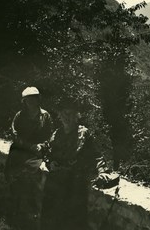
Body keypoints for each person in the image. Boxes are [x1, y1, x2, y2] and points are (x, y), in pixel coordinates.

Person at [41, 98, 109, 230]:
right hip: (55, 184)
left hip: (74, 185)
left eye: (70, 114)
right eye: (63, 114)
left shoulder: (83, 134)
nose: (67, 118)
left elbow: (96, 156)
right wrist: (50, 163)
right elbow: (48, 155)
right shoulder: (57, 134)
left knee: (72, 222)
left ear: (76, 116)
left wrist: (102, 171)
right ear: (59, 116)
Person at [5, 86, 53, 230]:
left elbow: (50, 136)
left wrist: (41, 146)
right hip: (21, 150)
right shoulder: (19, 116)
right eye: (28, 99)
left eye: (34, 98)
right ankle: (16, 210)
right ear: (24, 101)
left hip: (36, 152)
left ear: (38, 99)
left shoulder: (45, 116)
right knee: (15, 175)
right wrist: (29, 146)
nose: (32, 101)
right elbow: (14, 134)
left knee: (33, 175)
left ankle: (31, 213)